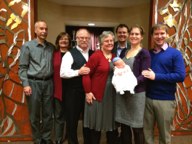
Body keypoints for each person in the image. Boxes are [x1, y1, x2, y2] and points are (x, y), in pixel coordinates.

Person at [142, 24, 185, 144]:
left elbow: (180, 76)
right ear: (152, 36)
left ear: (167, 35)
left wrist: (156, 76)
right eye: (156, 34)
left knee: (164, 135)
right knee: (147, 133)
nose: (159, 36)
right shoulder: (148, 54)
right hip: (148, 99)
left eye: (162, 33)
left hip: (165, 100)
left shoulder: (175, 54)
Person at [19, 20, 55, 144]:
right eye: (41, 28)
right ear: (35, 30)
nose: (44, 31)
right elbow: (22, 67)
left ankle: (46, 137)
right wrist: (26, 84)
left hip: (49, 83)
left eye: (46, 29)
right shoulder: (27, 46)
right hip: (33, 83)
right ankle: (37, 139)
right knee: (34, 114)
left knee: (48, 113)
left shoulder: (51, 47)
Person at [115, 25, 151, 144]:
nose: (134, 36)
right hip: (123, 94)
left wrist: (132, 82)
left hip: (136, 94)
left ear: (141, 37)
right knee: (125, 126)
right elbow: (117, 66)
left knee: (137, 128)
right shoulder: (125, 51)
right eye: (132, 34)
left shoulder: (144, 53)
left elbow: (145, 74)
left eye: (137, 34)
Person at [82, 31, 118, 144]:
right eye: (107, 41)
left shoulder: (114, 57)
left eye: (111, 40)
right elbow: (86, 74)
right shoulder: (96, 56)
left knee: (110, 124)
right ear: (101, 43)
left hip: (111, 95)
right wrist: (88, 92)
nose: (109, 43)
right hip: (96, 94)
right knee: (95, 125)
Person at [60, 28, 94, 144]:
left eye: (86, 38)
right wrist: (78, 72)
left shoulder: (94, 53)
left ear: (90, 39)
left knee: (88, 122)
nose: (84, 40)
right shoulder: (69, 54)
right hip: (73, 93)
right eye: (81, 37)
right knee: (72, 121)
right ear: (76, 39)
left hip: (90, 93)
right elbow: (63, 73)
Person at [53, 32, 71, 144]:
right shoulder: (53, 54)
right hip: (57, 89)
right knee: (58, 115)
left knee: (70, 115)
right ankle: (58, 139)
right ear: (58, 41)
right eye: (61, 39)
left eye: (66, 39)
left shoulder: (73, 54)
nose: (63, 41)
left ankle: (69, 136)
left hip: (71, 89)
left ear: (69, 42)